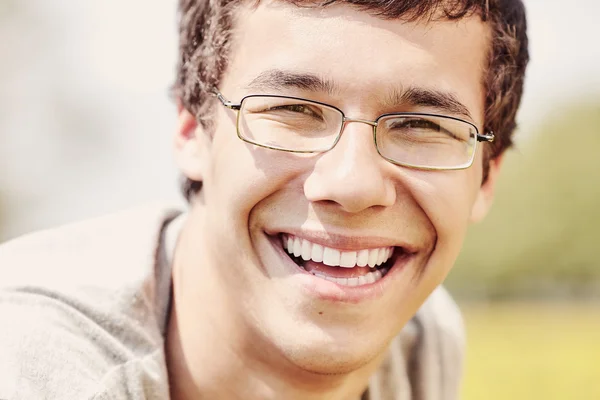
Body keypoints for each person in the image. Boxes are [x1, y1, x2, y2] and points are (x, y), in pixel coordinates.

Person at [0, 0, 528, 398]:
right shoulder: (33, 362)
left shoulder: (421, 337)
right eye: (292, 111)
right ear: (192, 132)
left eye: (421, 125)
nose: (351, 185)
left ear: (487, 177)